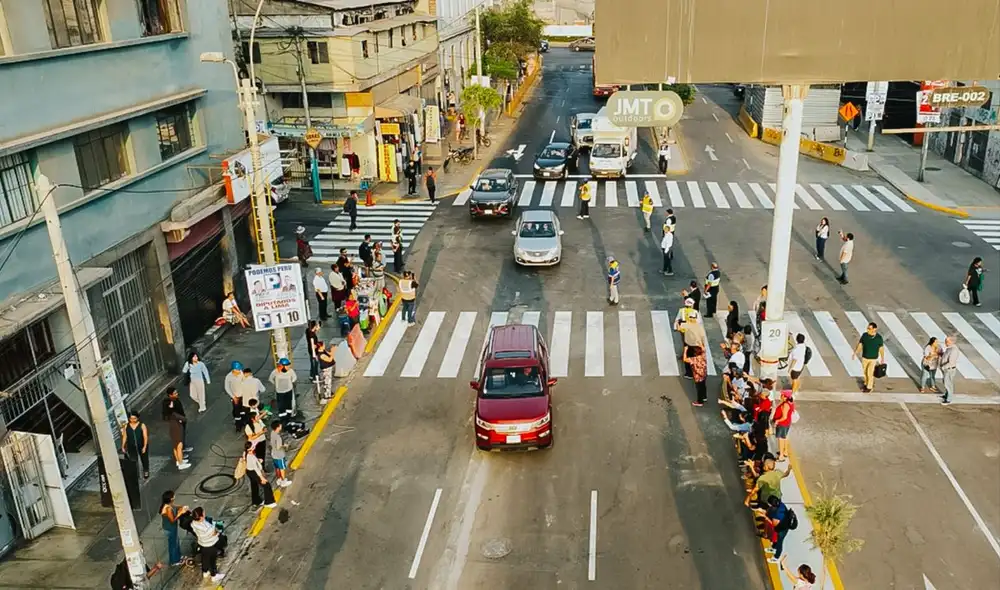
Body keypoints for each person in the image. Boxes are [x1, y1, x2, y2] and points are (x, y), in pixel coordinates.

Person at [189, 507, 226, 582]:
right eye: (203, 512)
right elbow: (215, 531)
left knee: (205, 558)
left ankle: (205, 571)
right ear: (201, 516)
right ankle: (214, 575)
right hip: (210, 545)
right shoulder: (208, 528)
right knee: (212, 560)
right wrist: (218, 530)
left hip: (203, 544)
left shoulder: (193, 523)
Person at [161, 387, 190, 471]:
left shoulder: (170, 404)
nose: (177, 394)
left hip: (174, 426)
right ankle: (181, 463)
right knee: (179, 445)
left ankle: (179, 461)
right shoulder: (172, 407)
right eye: (175, 393)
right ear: (170, 395)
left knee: (175, 445)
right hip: (177, 426)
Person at [243, 441, 277, 509]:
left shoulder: (246, 453)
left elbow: (251, 462)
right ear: (250, 448)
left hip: (249, 471)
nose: (254, 446)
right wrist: (262, 478)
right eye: (253, 446)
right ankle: (269, 502)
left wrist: (258, 461)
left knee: (254, 486)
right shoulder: (251, 456)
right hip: (254, 472)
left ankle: (256, 501)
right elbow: (256, 469)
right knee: (266, 485)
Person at [852, 321, 884, 393]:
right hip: (865, 357)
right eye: (868, 328)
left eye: (869, 328)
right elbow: (860, 345)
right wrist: (855, 353)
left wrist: (882, 358)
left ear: (874, 329)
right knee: (865, 372)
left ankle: (869, 387)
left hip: (873, 358)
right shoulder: (865, 335)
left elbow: (881, 348)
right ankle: (866, 383)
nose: (868, 330)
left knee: (870, 372)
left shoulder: (878, 338)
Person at [159, 490, 187, 566]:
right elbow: (173, 520)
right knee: (173, 544)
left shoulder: (168, 505)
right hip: (170, 529)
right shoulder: (167, 509)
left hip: (171, 528)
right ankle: (174, 561)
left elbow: (174, 506)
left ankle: (178, 557)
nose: (174, 497)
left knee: (176, 541)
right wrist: (180, 513)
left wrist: (181, 507)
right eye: (173, 496)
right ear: (171, 499)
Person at [120, 411, 150, 480]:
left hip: (141, 445)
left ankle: (146, 471)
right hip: (131, 446)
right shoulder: (126, 426)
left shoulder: (142, 425)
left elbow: (145, 437)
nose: (133, 420)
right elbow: (125, 436)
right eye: (131, 419)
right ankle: (136, 474)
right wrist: (123, 446)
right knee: (133, 460)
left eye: (134, 419)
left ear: (137, 418)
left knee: (144, 459)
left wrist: (145, 446)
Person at [773, 390, 795, 462]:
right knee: (784, 437)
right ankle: (785, 452)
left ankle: (781, 456)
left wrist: (777, 421)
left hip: (782, 424)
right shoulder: (789, 402)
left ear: (785, 396)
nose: (780, 395)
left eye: (782, 394)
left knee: (781, 439)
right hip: (787, 423)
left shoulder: (786, 404)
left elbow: (784, 417)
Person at [224, 361, 245, 429]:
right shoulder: (228, 377)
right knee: (236, 411)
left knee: (243, 410)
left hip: (243, 395)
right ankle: (238, 425)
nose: (239, 371)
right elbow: (227, 387)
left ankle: (244, 421)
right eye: (238, 370)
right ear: (234, 369)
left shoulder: (242, 374)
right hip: (235, 397)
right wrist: (233, 397)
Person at [270, 421, 292, 487]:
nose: (281, 426)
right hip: (279, 455)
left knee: (277, 468)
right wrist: (285, 445)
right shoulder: (278, 437)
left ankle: (279, 479)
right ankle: (283, 481)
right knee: (282, 468)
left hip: (274, 454)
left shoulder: (272, 433)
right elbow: (279, 447)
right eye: (280, 425)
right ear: (278, 427)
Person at [939, 335, 959, 405]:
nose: (945, 342)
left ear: (951, 342)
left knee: (948, 384)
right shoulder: (949, 348)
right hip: (947, 369)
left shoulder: (953, 350)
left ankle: (948, 399)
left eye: (946, 341)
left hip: (949, 369)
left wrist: (943, 367)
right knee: (946, 382)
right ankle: (947, 395)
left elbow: (951, 362)